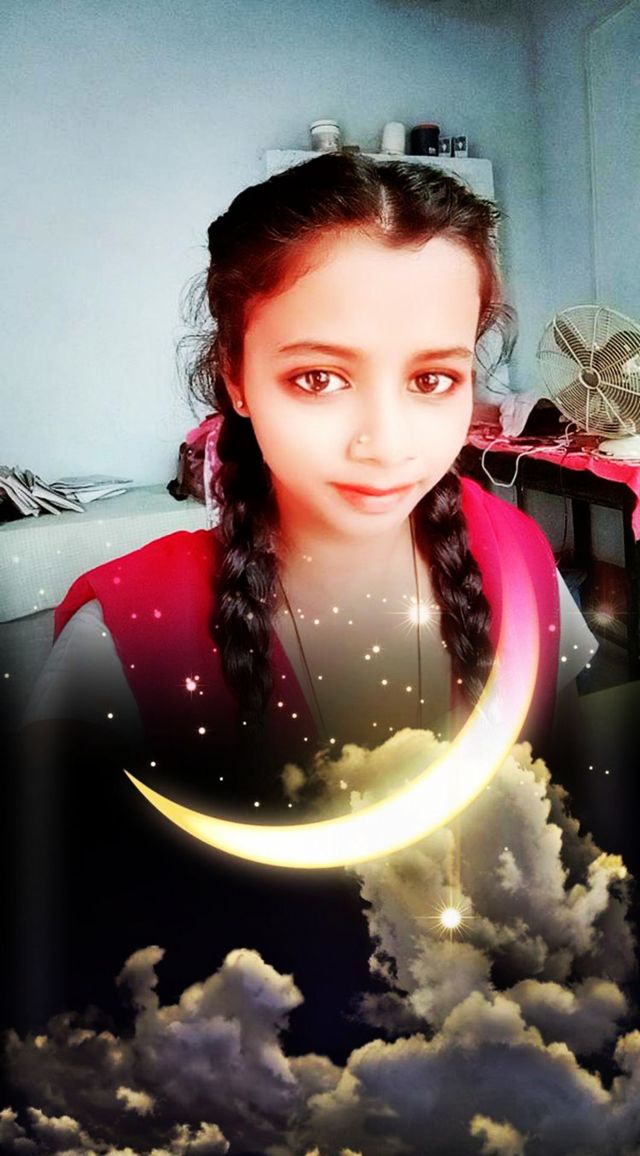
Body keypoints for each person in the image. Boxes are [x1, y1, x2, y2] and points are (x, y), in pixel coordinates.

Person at [28, 153, 595, 805]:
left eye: (432, 379)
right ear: (236, 377)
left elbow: (566, 806)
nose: (386, 445)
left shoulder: (519, 560)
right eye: (319, 379)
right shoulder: (124, 638)